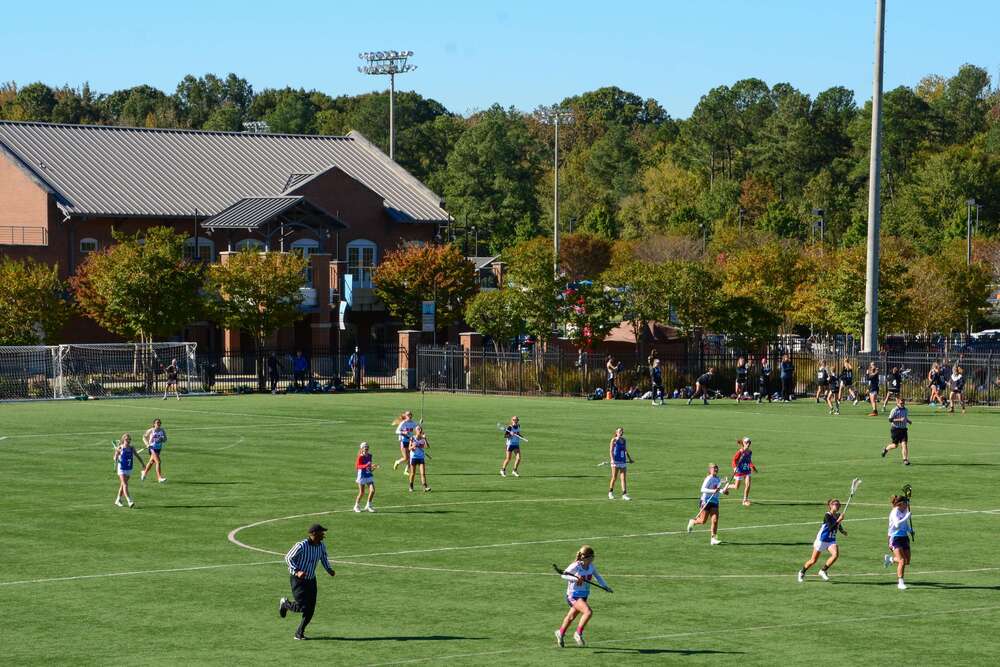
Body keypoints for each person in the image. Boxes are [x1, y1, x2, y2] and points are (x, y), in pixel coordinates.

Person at [278, 523, 336, 639]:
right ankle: (285, 604)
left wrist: (329, 569)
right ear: (313, 534)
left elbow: (323, 558)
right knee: (302, 606)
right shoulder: (301, 545)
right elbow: (288, 557)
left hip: (311, 580)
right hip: (298, 580)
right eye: (321, 532)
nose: (323, 534)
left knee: (311, 609)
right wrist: (297, 570)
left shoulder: (321, 546)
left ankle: (299, 633)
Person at [555, 545, 611, 648]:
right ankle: (578, 633)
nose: (593, 559)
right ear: (587, 557)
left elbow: (598, 577)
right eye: (592, 557)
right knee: (588, 612)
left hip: (584, 595)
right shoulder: (576, 566)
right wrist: (576, 579)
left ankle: (560, 632)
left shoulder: (591, 566)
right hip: (573, 595)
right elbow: (563, 575)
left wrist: (605, 586)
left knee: (571, 617)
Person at [797, 498, 847, 583]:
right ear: (830, 506)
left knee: (835, 555)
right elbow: (831, 527)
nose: (838, 506)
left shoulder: (838, 515)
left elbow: (838, 526)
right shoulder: (827, 515)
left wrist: (842, 531)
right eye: (836, 504)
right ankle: (802, 572)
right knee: (813, 561)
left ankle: (823, 570)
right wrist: (839, 520)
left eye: (839, 504)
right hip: (822, 540)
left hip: (831, 540)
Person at [687, 463, 726, 545]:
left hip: (715, 501)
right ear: (710, 470)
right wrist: (713, 491)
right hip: (705, 501)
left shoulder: (718, 479)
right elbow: (702, 489)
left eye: (716, 468)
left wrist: (724, 491)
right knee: (702, 521)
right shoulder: (708, 478)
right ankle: (693, 521)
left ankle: (713, 538)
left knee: (714, 520)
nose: (715, 470)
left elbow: (718, 489)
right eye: (714, 468)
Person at [883, 496, 913, 590]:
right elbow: (897, 524)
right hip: (895, 537)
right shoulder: (894, 512)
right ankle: (900, 582)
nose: (907, 505)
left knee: (907, 561)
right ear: (901, 503)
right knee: (902, 561)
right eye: (906, 503)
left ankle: (890, 559)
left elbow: (905, 524)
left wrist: (910, 530)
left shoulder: (904, 510)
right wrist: (906, 517)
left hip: (904, 537)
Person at [113, 433, 144, 508]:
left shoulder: (131, 448)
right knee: (125, 484)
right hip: (121, 468)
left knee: (123, 485)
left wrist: (143, 464)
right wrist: (117, 455)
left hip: (129, 468)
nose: (128, 441)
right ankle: (129, 500)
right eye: (127, 439)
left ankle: (118, 500)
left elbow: (137, 455)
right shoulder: (120, 448)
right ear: (123, 440)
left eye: (129, 439)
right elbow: (114, 458)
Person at [725, 437, 757, 506]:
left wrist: (752, 466)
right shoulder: (740, 451)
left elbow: (749, 460)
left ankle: (745, 500)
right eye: (746, 442)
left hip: (747, 470)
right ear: (743, 443)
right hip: (739, 470)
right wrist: (734, 467)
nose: (748, 444)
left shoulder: (750, 451)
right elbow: (734, 460)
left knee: (748, 484)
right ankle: (727, 486)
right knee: (736, 487)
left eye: (749, 442)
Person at [881, 397, 912, 465]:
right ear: (897, 402)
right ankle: (886, 449)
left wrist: (908, 421)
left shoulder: (905, 410)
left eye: (903, 403)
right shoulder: (894, 410)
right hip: (895, 429)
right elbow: (890, 420)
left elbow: (904, 418)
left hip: (903, 429)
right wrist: (899, 420)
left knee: (904, 444)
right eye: (901, 403)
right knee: (895, 445)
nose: (902, 404)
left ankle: (905, 460)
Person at [607, 427, 634, 500]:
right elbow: (611, 451)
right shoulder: (614, 440)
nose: (621, 432)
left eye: (622, 431)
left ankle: (624, 494)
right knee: (614, 477)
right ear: (616, 432)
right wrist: (612, 460)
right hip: (615, 461)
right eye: (619, 431)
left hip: (622, 461)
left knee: (623, 478)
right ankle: (610, 493)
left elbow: (625, 450)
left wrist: (630, 459)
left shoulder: (624, 440)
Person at [353, 442, 378, 512]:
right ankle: (356, 506)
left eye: (367, 447)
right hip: (362, 475)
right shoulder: (360, 456)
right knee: (362, 492)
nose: (366, 448)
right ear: (362, 448)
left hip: (368, 475)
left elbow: (369, 467)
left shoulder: (370, 456)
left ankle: (368, 505)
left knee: (372, 490)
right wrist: (366, 465)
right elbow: (357, 466)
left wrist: (373, 467)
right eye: (365, 447)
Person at [140, 418, 167, 483]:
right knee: (158, 462)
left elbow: (165, 439)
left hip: (158, 449)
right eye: (157, 423)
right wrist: (147, 444)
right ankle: (159, 478)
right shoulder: (151, 430)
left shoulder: (162, 430)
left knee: (151, 462)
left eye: (159, 423)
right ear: (154, 424)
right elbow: (144, 437)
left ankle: (144, 472)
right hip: (152, 448)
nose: (158, 424)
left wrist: (161, 439)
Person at [408, 425, 431, 492]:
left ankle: (425, 487)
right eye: (418, 429)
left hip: (421, 457)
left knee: (423, 473)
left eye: (420, 429)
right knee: (413, 473)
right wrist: (413, 447)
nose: (420, 430)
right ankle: (411, 486)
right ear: (416, 431)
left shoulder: (422, 438)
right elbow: (409, 448)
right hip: (414, 457)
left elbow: (427, 447)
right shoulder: (412, 438)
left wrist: (425, 439)